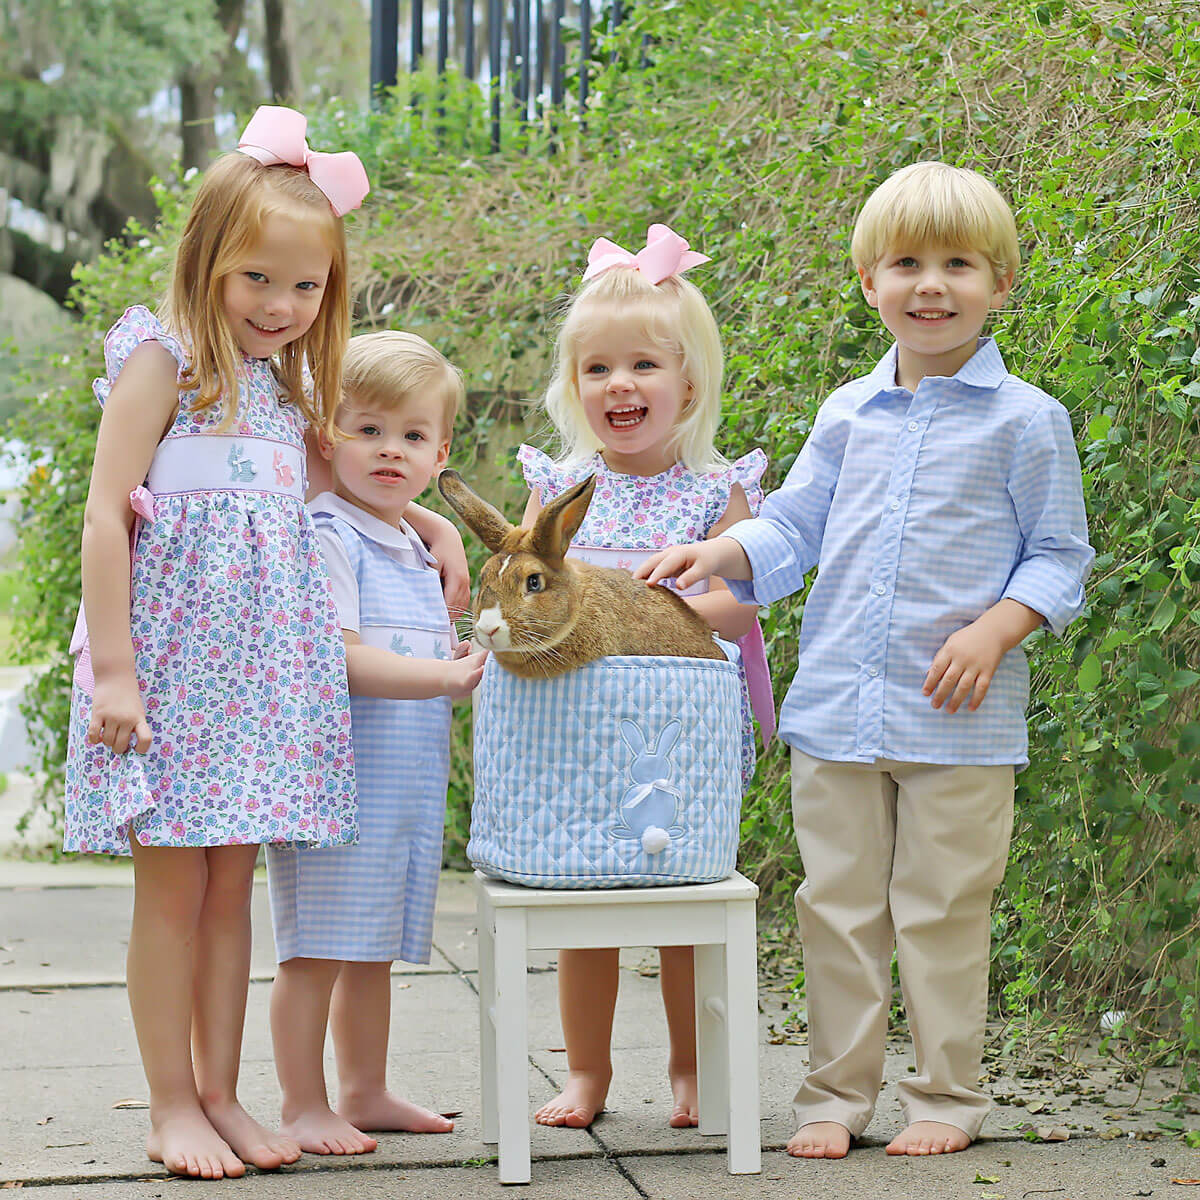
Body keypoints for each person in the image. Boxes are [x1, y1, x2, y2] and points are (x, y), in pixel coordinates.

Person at [637, 162, 1094, 1159]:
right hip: (839, 708)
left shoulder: (1028, 422)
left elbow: (1061, 556)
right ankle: (835, 1094)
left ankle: (947, 1097)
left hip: (959, 722)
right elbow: (797, 525)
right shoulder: (848, 411)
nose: (931, 285)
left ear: (1001, 284)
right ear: (868, 281)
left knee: (941, 910)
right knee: (836, 907)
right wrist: (723, 551)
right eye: (906, 263)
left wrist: (996, 629)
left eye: (959, 264)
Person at [517, 224, 768, 1130]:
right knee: (586, 901)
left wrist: (659, 610)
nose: (620, 386)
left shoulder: (715, 491)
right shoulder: (562, 488)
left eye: (644, 368)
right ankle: (587, 1073)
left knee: (680, 910)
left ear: (687, 385)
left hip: (678, 730)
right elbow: (529, 582)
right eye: (598, 371)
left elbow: (741, 604)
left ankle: (689, 1069)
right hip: (581, 725)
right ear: (574, 387)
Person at [266, 331, 487, 1155]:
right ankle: (301, 1103)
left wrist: (456, 654)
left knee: (371, 948)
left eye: (413, 435)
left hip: (397, 779)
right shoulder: (329, 533)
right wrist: (442, 678)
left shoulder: (409, 539)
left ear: (440, 454)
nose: (390, 450)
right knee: (317, 949)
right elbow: (342, 658)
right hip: (336, 780)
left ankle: (364, 1089)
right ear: (327, 436)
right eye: (367, 430)